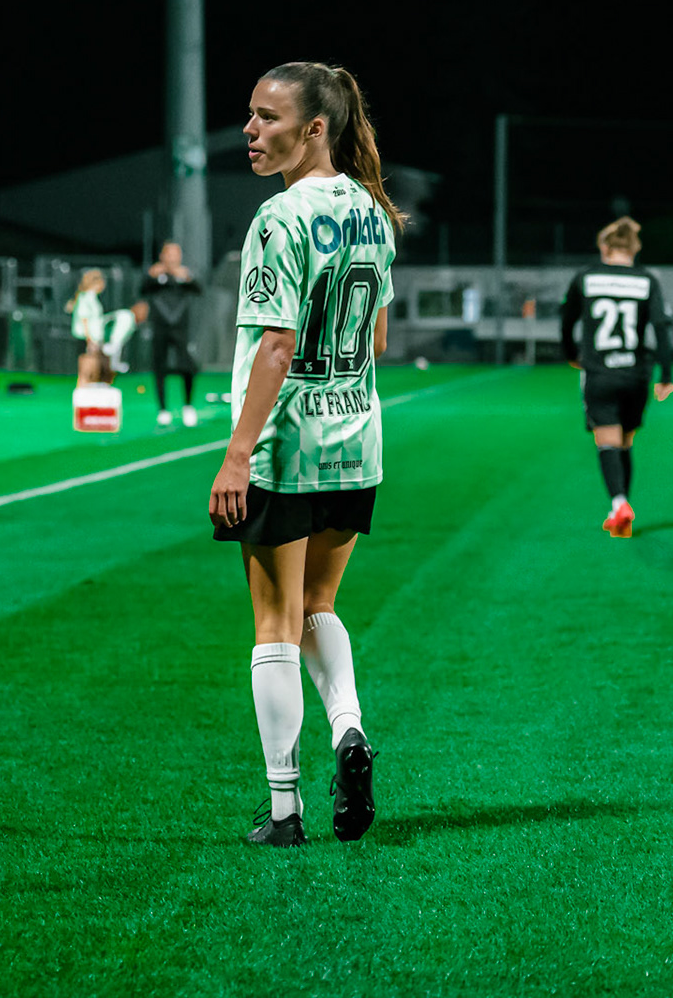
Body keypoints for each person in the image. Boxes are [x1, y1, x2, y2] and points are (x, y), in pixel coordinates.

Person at [208, 62, 403, 848]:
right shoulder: (374, 212)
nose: (250, 130)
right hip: (356, 441)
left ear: (314, 128)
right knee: (319, 605)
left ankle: (285, 810)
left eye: (267, 117)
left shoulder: (279, 217)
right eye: (251, 115)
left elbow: (277, 346)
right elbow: (378, 339)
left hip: (286, 448)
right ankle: (349, 728)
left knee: (275, 624)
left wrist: (237, 456)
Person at [558, 217, 673, 538]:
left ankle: (619, 503)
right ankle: (620, 514)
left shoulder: (586, 277)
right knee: (625, 441)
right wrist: (665, 374)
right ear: (634, 249)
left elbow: (566, 319)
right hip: (636, 374)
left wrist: (571, 354)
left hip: (600, 373)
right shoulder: (647, 280)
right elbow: (660, 326)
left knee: (607, 441)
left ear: (605, 247)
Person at [142, 240, 204, 426]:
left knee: (188, 366)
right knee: (159, 367)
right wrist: (151, 275)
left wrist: (187, 277)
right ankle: (163, 410)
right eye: (168, 254)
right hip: (160, 327)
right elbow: (142, 289)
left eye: (175, 254)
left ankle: (188, 406)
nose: (172, 258)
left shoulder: (184, 275)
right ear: (162, 256)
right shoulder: (155, 276)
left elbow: (199, 289)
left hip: (180, 328)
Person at [67, 269, 108, 384]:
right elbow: (84, 319)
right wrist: (89, 340)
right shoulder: (85, 298)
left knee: (93, 365)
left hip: (92, 338)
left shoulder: (92, 297)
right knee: (86, 366)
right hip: (86, 338)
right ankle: (82, 387)